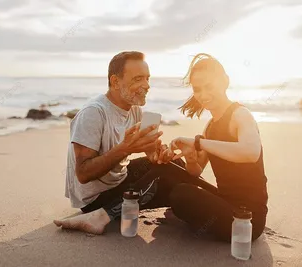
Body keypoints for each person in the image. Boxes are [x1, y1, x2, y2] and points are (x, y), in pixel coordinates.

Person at [53, 51, 211, 234]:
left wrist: (161, 155)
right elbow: (83, 173)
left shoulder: (135, 110)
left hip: (121, 182)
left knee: (174, 167)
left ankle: (211, 200)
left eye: (147, 78)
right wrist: (125, 149)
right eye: (138, 79)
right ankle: (99, 217)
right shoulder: (93, 113)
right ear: (115, 82)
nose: (146, 85)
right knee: (165, 176)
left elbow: (152, 156)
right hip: (95, 200)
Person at [166, 53, 269, 242]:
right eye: (197, 89)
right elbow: (196, 172)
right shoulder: (211, 125)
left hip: (247, 219)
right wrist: (190, 158)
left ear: (225, 82)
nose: (203, 95)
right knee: (173, 173)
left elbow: (251, 152)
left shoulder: (240, 114)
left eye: (209, 87)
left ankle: (197, 217)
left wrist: (198, 143)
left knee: (182, 195)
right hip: (225, 200)